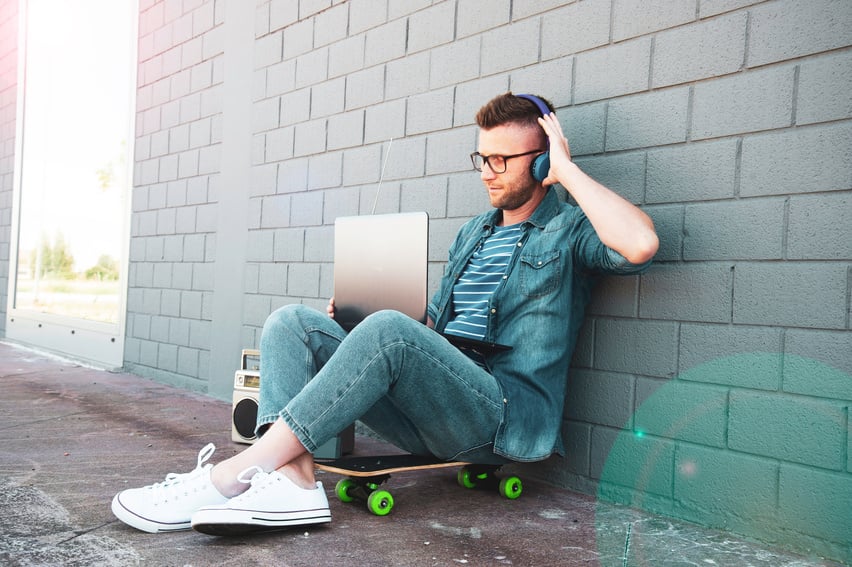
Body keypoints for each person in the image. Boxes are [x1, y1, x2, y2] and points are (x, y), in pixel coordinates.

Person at [111, 92, 659, 535]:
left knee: (389, 331)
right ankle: (295, 484)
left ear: (540, 162)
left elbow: (639, 245)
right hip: (437, 408)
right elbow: (434, 335)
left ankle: (234, 474)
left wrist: (565, 171)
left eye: (500, 160)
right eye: (481, 158)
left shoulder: (568, 232)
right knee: (292, 323)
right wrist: (362, 323)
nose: (487, 172)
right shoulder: (475, 233)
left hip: (501, 420)